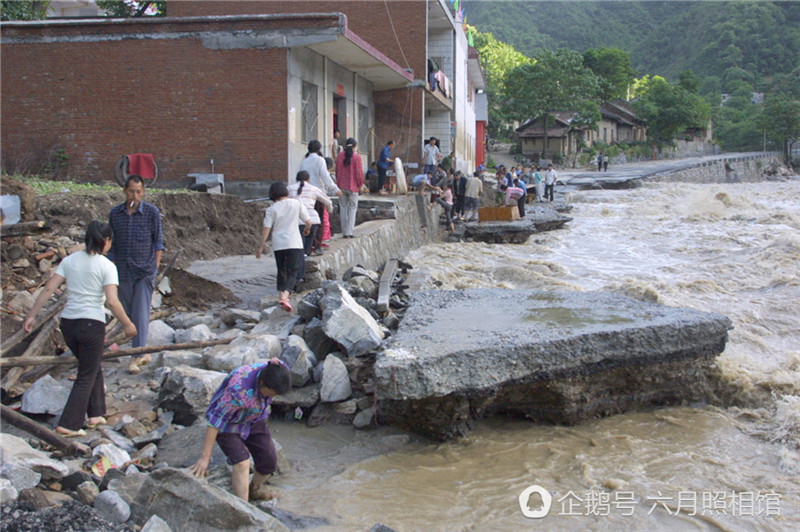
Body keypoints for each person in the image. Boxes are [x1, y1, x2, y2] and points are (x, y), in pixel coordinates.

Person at [23, 221, 137, 438]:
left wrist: (32, 315)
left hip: (69, 324)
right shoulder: (107, 266)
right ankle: (69, 424)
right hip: (91, 324)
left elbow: (49, 288)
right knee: (86, 373)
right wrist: (128, 324)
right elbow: (112, 301)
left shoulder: (70, 260)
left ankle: (96, 413)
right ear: (106, 241)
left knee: (91, 364)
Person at [188, 359, 291, 502]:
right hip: (228, 422)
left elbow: (274, 362)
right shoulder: (239, 388)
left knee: (269, 461)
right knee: (242, 462)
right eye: (270, 394)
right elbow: (215, 421)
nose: (272, 398)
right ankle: (244, 508)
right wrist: (204, 458)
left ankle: (254, 490)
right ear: (262, 383)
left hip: (254, 417)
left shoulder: (278, 369)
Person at [108, 175, 164, 375]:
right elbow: (111, 243)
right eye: (132, 191)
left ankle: (137, 354)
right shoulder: (116, 214)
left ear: (143, 192)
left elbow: (158, 241)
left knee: (140, 311)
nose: (135, 195)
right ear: (125, 190)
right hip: (122, 269)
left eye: (139, 191)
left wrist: (155, 266)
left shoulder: (151, 212)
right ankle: (143, 349)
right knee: (129, 311)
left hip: (144, 270)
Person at [255, 182, 312, 313]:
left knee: (281, 270)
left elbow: (266, 229)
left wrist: (260, 247)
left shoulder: (272, 209)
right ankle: (285, 297)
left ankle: (281, 296)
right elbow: (308, 221)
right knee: (293, 271)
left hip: (278, 244)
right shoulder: (296, 203)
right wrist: (307, 230)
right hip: (294, 243)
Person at [298, 140, 341, 251]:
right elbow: (325, 176)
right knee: (319, 220)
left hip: (305, 194)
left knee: (306, 220)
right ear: (319, 149)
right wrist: (335, 188)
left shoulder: (304, 161)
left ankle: (308, 244)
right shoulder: (320, 160)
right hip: (317, 194)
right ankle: (317, 245)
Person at [288, 169, 332, 263]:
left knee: (299, 242)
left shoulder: (290, 189)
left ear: (296, 179)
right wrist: (329, 209)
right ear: (308, 179)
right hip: (313, 219)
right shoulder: (314, 189)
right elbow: (328, 201)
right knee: (309, 241)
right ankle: (306, 257)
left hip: (296, 220)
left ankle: (300, 261)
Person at [335, 137, 366, 239]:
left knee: (343, 209)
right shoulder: (356, 157)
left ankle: (344, 232)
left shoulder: (339, 156)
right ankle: (350, 232)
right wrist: (361, 184)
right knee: (352, 209)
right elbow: (359, 173)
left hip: (341, 186)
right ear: (355, 146)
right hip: (353, 187)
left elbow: (337, 171)